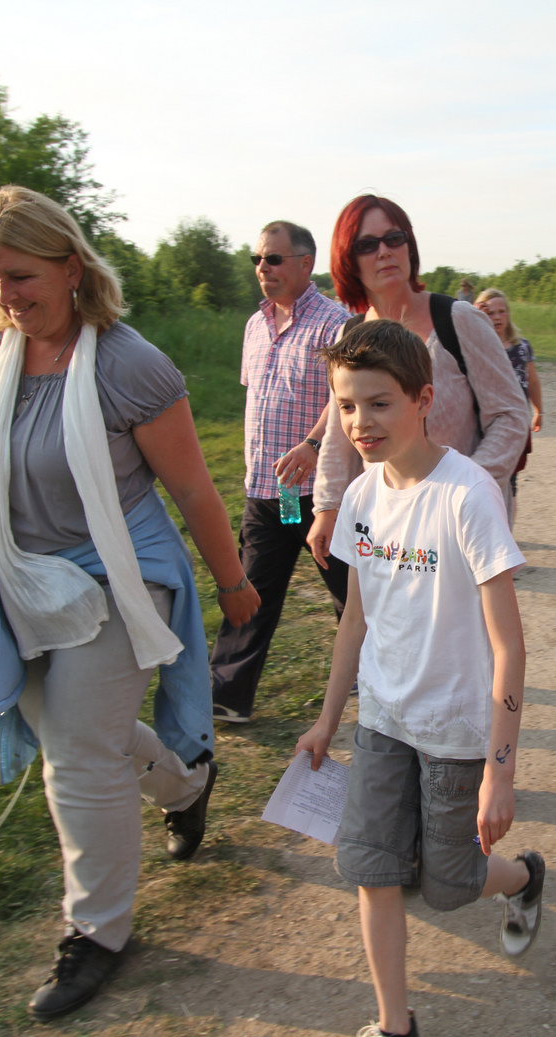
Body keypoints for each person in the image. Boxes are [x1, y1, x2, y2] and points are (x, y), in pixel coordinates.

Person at [0, 185, 260, 1021]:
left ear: (71, 267)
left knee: (75, 750)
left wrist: (233, 583)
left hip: (119, 570)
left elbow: (192, 488)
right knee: (80, 735)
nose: (3, 295)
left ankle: (97, 931)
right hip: (20, 573)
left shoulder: (125, 364)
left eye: (20, 275)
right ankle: (186, 784)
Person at [295, 319, 545, 1037]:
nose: (360, 423)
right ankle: (393, 1024)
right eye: (346, 406)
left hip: (456, 730)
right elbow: (355, 620)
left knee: (448, 883)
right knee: (372, 870)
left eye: (378, 403)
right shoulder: (361, 497)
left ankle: (524, 876)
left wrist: (500, 771)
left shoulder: (468, 496)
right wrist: (327, 720)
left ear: (423, 399)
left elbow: (509, 646)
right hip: (382, 719)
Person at [308, 194, 528, 563]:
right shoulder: (349, 334)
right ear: (348, 259)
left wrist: (464, 493)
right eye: (367, 245)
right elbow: (338, 434)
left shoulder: (459, 320)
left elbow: (510, 415)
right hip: (385, 524)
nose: (384, 251)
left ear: (409, 246)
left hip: (461, 524)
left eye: (394, 239)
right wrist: (328, 507)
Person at [209, 220, 350, 724]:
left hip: (320, 495)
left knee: (352, 592)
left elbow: (346, 398)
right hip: (268, 492)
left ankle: (382, 675)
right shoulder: (255, 325)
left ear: (305, 263)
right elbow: (257, 397)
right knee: (251, 590)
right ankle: (227, 694)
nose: (262, 268)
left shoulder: (336, 325)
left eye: (272, 258)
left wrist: (313, 445)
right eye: (257, 259)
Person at [475, 287, 542, 494]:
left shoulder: (522, 346)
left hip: (515, 422)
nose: (497, 317)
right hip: (485, 423)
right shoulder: (476, 346)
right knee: (484, 477)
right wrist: (473, 318)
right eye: (490, 313)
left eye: (501, 312)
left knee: (510, 479)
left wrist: (539, 410)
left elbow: (533, 381)